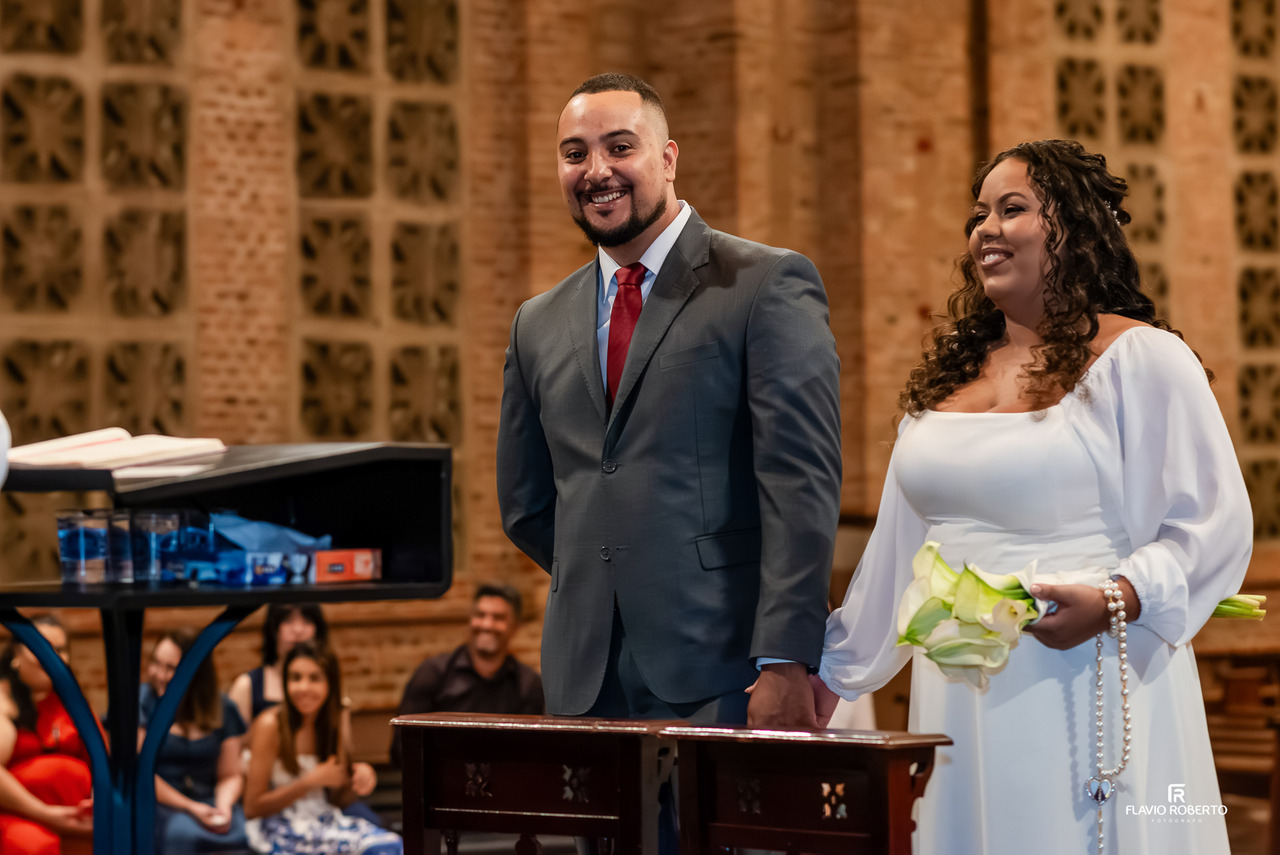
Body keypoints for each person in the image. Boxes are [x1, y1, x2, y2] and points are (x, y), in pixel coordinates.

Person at [817, 139, 1251, 854]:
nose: (985, 228)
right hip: (956, 690)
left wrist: (1121, 595)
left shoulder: (1142, 359)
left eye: (1011, 209)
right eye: (978, 213)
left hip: (1087, 669)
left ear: (1074, 229)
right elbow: (895, 557)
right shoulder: (945, 386)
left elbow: (1214, 523)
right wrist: (828, 677)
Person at [497, 72, 842, 729]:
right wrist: (614, 573)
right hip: (583, 677)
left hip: (726, 667)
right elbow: (527, 503)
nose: (597, 170)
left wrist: (787, 657)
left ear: (668, 156)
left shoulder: (764, 285)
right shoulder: (536, 322)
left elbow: (800, 485)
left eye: (619, 147)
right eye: (575, 154)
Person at [243, 641, 401, 855]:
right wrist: (309, 782)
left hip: (325, 818)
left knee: (393, 845)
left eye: (315, 678)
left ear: (330, 683)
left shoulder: (336, 720)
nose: (303, 688)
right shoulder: (270, 724)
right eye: (295, 678)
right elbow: (252, 808)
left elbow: (340, 799)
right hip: (279, 826)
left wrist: (360, 776)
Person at [229, 604, 380, 824]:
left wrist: (360, 774)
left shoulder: (332, 712)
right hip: (272, 802)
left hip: (321, 805)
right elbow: (238, 774)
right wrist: (308, 782)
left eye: (307, 622)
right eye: (287, 621)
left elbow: (338, 782)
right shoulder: (264, 711)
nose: (298, 630)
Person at [390, 583, 543, 767]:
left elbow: (531, 755)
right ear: (471, 619)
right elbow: (402, 749)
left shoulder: (528, 684)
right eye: (480, 615)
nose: (487, 624)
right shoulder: (433, 673)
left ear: (515, 626)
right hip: (440, 789)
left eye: (498, 617)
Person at [139, 629, 249, 853]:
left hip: (210, 800)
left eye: (171, 668)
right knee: (183, 834)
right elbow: (140, 773)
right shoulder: (142, 701)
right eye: (156, 663)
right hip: (161, 803)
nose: (159, 674)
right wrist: (191, 808)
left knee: (240, 834)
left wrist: (224, 807)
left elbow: (230, 774)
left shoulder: (223, 708)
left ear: (195, 672)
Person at [0, 615, 93, 855]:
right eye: (40, 649)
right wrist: (45, 813)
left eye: (59, 650)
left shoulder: (73, 702)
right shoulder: (4, 702)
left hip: (77, 817)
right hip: (20, 817)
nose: (50, 659)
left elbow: (103, 761)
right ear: (15, 656)